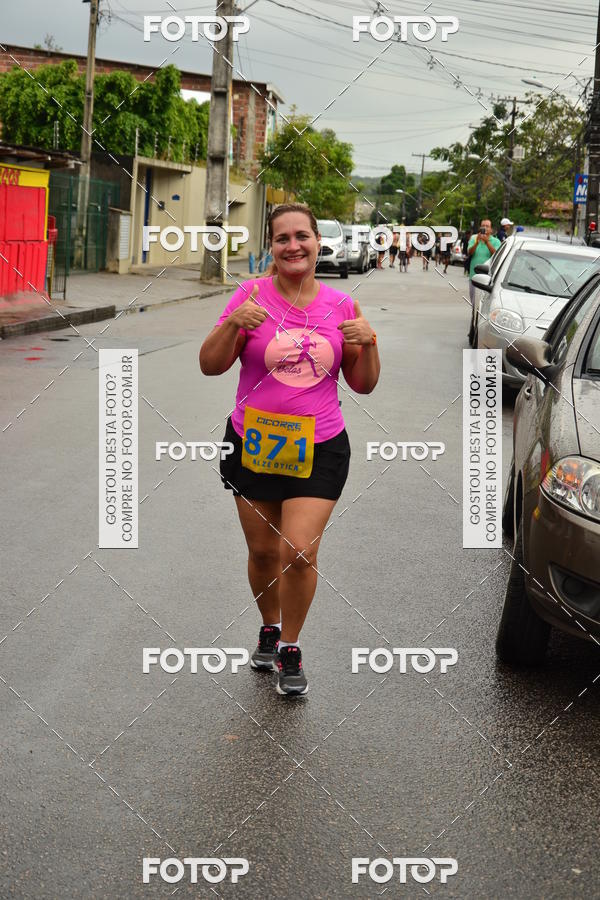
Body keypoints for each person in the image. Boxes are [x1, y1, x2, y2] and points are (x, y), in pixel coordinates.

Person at [199, 203, 380, 697]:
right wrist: (233, 323)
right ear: (272, 247)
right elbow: (210, 366)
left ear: (319, 243)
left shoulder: (342, 307)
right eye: (282, 238)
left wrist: (370, 342)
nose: (293, 245)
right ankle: (269, 626)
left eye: (302, 236)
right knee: (262, 550)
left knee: (297, 550)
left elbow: (362, 384)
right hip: (253, 442)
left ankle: (290, 647)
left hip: (320, 446)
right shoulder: (249, 295)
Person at [467, 218, 501, 341]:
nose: (485, 228)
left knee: (484, 307)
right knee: (474, 305)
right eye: (483, 226)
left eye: (487, 226)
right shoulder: (473, 238)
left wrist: (487, 242)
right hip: (473, 277)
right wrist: (477, 242)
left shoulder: (495, 241)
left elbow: (496, 255)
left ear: (491, 229)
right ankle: (473, 329)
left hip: (488, 280)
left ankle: (480, 330)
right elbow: (469, 252)